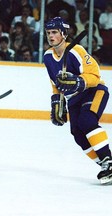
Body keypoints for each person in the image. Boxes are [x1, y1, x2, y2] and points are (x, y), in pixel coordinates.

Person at [43, 17, 112, 185]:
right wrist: (56, 102)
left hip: (93, 91)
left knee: (86, 121)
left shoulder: (76, 50)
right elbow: (55, 84)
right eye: (48, 33)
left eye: (54, 33)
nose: (51, 36)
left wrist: (79, 81)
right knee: (77, 133)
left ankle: (109, 161)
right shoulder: (47, 57)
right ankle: (104, 165)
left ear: (64, 34)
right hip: (73, 99)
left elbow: (95, 75)